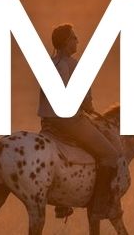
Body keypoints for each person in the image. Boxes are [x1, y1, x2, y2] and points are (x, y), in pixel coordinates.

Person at [38, 23, 122, 218]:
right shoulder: (74, 65)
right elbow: (84, 102)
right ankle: (100, 203)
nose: (77, 41)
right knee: (110, 154)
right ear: (67, 42)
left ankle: (62, 202)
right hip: (69, 121)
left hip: (47, 122)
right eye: (74, 38)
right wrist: (89, 108)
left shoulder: (49, 63)